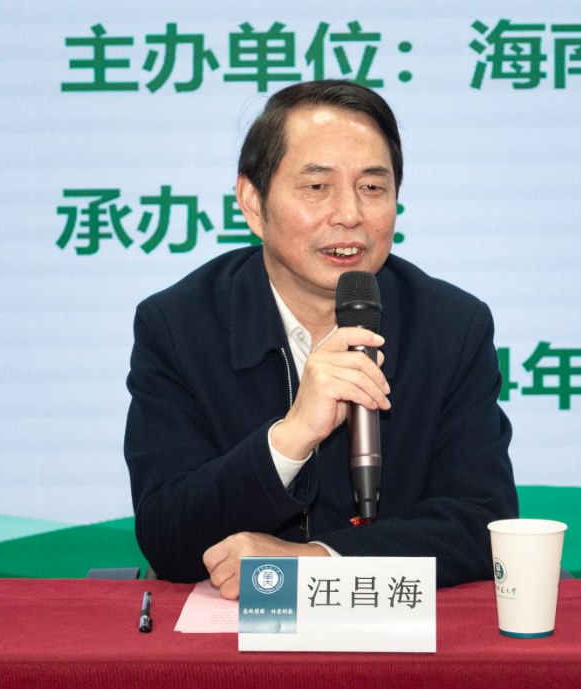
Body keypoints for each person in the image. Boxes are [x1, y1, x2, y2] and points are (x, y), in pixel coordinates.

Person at [124, 80, 518, 599]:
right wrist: (289, 438)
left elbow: (482, 522)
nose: (350, 215)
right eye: (317, 187)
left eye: (372, 187)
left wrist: (315, 562)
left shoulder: (451, 327)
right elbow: (167, 535)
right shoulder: (180, 326)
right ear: (252, 201)